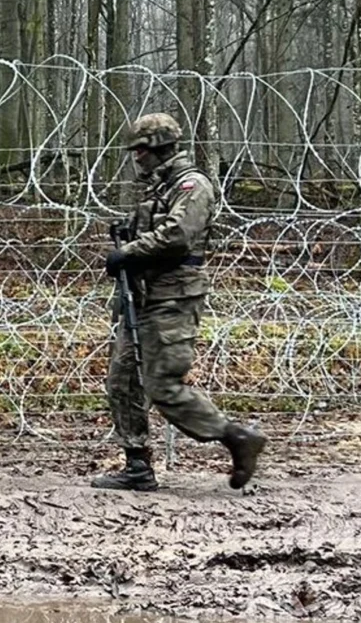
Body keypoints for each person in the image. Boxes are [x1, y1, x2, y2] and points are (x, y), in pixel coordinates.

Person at [94, 113, 267, 492]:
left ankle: (236, 437)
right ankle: (137, 465)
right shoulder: (161, 188)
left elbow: (177, 236)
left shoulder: (192, 185)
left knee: (162, 386)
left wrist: (129, 252)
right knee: (122, 381)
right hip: (143, 294)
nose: (136, 158)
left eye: (141, 150)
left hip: (173, 296)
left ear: (159, 147)